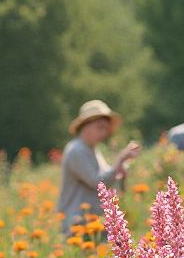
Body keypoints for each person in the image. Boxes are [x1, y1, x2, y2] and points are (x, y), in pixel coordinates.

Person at [57, 99, 140, 232]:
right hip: (77, 225)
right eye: (100, 127)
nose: (104, 133)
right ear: (85, 126)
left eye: (106, 129)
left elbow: (108, 179)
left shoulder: (94, 150)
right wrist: (119, 160)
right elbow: (97, 182)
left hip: (94, 223)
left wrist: (121, 169)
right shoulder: (75, 150)